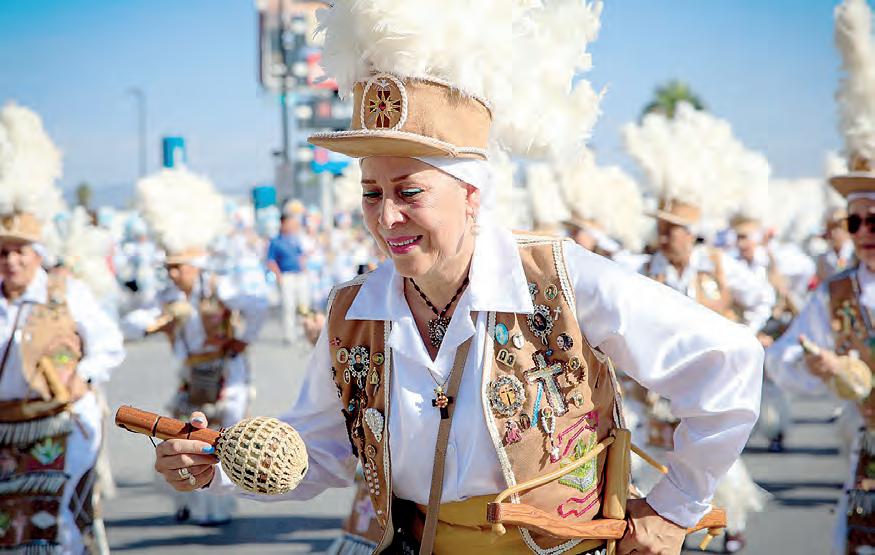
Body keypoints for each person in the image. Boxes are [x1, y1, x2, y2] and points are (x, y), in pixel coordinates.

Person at [152, 3, 762, 554]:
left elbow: (728, 359)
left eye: (409, 191)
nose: (387, 217)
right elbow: (323, 449)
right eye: (371, 193)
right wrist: (219, 461)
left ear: (472, 194)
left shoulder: (558, 278)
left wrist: (675, 507)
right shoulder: (354, 312)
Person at [625, 104, 773, 553]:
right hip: (658, 384)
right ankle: (664, 523)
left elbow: (762, 297)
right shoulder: (642, 269)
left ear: (691, 233)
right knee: (659, 453)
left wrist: (746, 334)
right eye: (662, 228)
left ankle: (729, 524)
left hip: (707, 377)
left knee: (711, 452)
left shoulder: (718, 265)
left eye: (673, 229)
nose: (665, 236)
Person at [767, 2, 875, 552]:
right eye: (855, 221)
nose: (863, 231)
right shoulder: (838, 292)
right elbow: (784, 359)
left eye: (873, 219)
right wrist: (816, 366)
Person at [0, 103, 125, 553]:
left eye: (20, 251)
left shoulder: (65, 293)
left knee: (53, 524)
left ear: (37, 253)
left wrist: (81, 376)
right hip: (5, 427)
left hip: (61, 424)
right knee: (8, 528)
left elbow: (108, 344)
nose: (11, 261)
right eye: (3, 252)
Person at [122, 167, 268, 525]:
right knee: (186, 434)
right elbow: (131, 323)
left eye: (179, 267)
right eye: (169, 268)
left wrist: (243, 339)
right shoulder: (168, 296)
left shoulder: (218, 287)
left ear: (194, 266)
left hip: (226, 372)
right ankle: (188, 500)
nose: (173, 274)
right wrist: (157, 322)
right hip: (191, 375)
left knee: (222, 436)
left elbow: (258, 304)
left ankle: (220, 505)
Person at [267, 214, 308, 344]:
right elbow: (271, 261)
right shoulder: (275, 241)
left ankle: (303, 330)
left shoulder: (294, 239)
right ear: (283, 224)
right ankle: (289, 334)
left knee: (303, 304)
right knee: (288, 306)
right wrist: (278, 276)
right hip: (286, 276)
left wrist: (304, 268)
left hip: (299, 275)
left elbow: (301, 254)